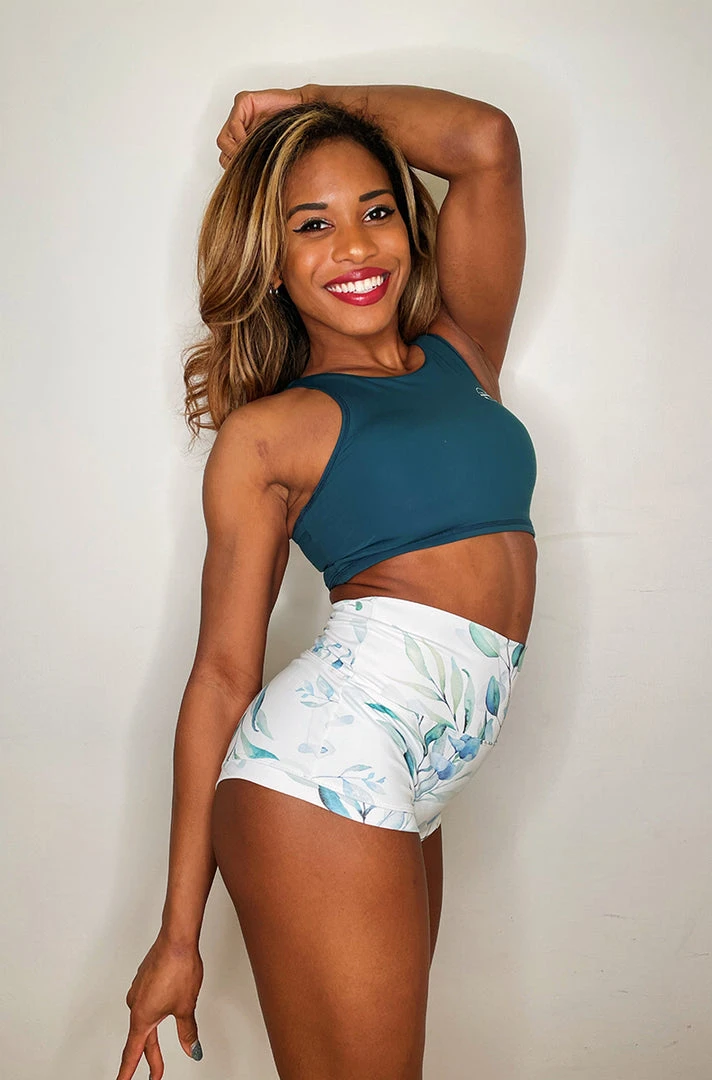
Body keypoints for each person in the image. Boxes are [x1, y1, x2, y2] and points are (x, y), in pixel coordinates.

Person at [115, 83, 537, 1080]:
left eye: (376, 210)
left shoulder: (461, 350)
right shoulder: (271, 433)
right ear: (270, 260)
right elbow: (224, 674)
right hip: (326, 765)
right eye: (313, 225)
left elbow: (484, 142)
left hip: (423, 771)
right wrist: (178, 934)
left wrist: (309, 102)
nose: (355, 247)